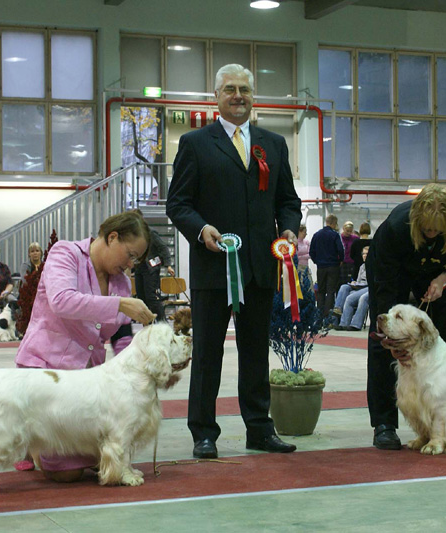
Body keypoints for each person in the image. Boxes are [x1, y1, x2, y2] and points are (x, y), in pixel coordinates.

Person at [166, 63, 301, 460]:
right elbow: (178, 203)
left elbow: (287, 201)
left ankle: (259, 429)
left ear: (252, 96)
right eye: (229, 89)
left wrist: (290, 229)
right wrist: (201, 228)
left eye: (244, 88)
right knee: (208, 353)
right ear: (217, 97)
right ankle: (203, 434)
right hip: (214, 268)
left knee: (256, 353)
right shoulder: (195, 142)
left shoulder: (273, 143)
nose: (237, 95)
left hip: (260, 267)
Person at [15, 211, 156, 481]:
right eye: (130, 254)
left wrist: (143, 370)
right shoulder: (65, 253)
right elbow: (62, 301)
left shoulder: (122, 282)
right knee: (67, 475)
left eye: (136, 259)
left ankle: (43, 443)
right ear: (112, 237)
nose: (130, 264)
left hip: (86, 384)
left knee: (101, 459)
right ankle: (31, 442)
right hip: (46, 373)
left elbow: (122, 335)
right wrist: (120, 304)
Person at [366, 184, 446, 450]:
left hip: (437, 272)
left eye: (438, 230)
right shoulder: (396, 227)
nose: (432, 233)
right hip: (393, 271)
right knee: (382, 343)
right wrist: (391, 339)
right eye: (426, 228)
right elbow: (386, 291)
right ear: (416, 219)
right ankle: (384, 425)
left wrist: (444, 279)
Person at [131, 209, 175, 322]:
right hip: (139, 268)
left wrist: (168, 265)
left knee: (152, 298)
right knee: (141, 298)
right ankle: (147, 324)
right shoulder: (133, 235)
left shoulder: (150, 233)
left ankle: (162, 322)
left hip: (151, 268)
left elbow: (163, 248)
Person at [310, 214, 344, 317]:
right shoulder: (335, 235)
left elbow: (312, 251)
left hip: (321, 267)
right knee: (330, 291)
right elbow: (340, 250)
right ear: (334, 223)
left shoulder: (316, 235)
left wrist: (317, 261)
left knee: (320, 291)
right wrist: (340, 260)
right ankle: (327, 315)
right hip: (333, 266)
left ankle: (319, 315)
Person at [332, 247, 370, 331]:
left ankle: (354, 324)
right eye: (363, 254)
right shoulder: (362, 266)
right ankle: (338, 310)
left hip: (369, 287)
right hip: (360, 287)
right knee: (344, 287)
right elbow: (359, 280)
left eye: (367, 254)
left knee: (350, 298)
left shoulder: (374, 266)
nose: (364, 256)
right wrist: (355, 283)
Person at [339, 220, 360, 285]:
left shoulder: (355, 238)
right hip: (342, 263)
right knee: (341, 282)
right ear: (343, 229)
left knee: (351, 281)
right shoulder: (339, 238)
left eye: (350, 231)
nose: (348, 233)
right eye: (347, 231)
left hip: (351, 263)